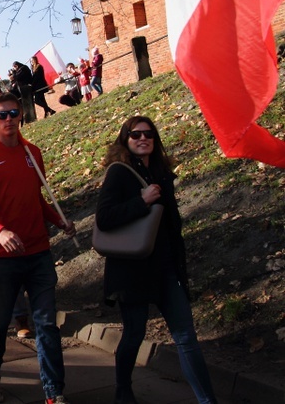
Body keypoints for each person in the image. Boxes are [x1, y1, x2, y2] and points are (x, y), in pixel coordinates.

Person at [95, 116, 217, 404]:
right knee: (135, 333)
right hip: (131, 269)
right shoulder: (119, 173)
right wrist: (142, 201)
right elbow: (104, 217)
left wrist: (178, 265)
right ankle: (123, 389)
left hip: (164, 267)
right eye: (135, 134)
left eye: (148, 134)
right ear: (125, 139)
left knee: (186, 336)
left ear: (155, 139)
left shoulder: (162, 172)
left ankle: (207, 400)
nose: (142, 138)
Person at [0, 92, 75, 404]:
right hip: (2, 256)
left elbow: (36, 201)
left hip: (38, 252)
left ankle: (54, 391)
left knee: (46, 325)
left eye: (14, 113)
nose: (9, 119)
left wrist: (58, 221)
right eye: (2, 115)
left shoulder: (33, 153)